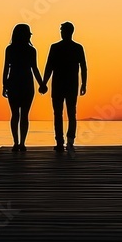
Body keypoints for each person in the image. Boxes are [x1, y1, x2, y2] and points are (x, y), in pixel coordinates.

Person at [39, 22, 87, 152]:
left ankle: (65, 141)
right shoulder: (72, 48)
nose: (61, 32)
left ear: (67, 32)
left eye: (62, 30)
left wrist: (84, 84)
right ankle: (63, 141)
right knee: (67, 113)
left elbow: (83, 67)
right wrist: (43, 83)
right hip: (65, 85)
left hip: (63, 85)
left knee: (64, 113)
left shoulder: (60, 48)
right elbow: (49, 67)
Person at [2, 24, 42, 152]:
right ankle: (21, 143)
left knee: (15, 114)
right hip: (26, 83)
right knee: (24, 115)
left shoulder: (10, 49)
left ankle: (16, 143)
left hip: (14, 82)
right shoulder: (31, 50)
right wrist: (41, 84)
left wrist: (4, 84)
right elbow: (34, 69)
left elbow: (6, 68)